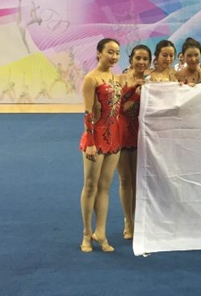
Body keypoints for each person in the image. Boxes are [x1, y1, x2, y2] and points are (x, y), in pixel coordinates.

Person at [79, 38, 123, 253]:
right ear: (99, 53)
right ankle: (87, 233)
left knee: (105, 187)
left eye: (117, 53)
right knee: (90, 186)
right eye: (110, 52)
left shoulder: (116, 78)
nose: (114, 57)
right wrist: (90, 142)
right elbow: (88, 113)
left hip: (114, 138)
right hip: (95, 139)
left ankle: (101, 232)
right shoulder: (91, 79)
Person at [117, 44, 151, 240]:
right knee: (125, 179)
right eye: (138, 58)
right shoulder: (120, 79)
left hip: (142, 135)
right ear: (131, 59)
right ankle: (128, 221)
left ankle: (137, 219)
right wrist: (135, 91)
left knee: (138, 180)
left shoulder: (151, 81)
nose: (141, 62)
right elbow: (120, 108)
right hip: (122, 134)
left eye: (145, 59)